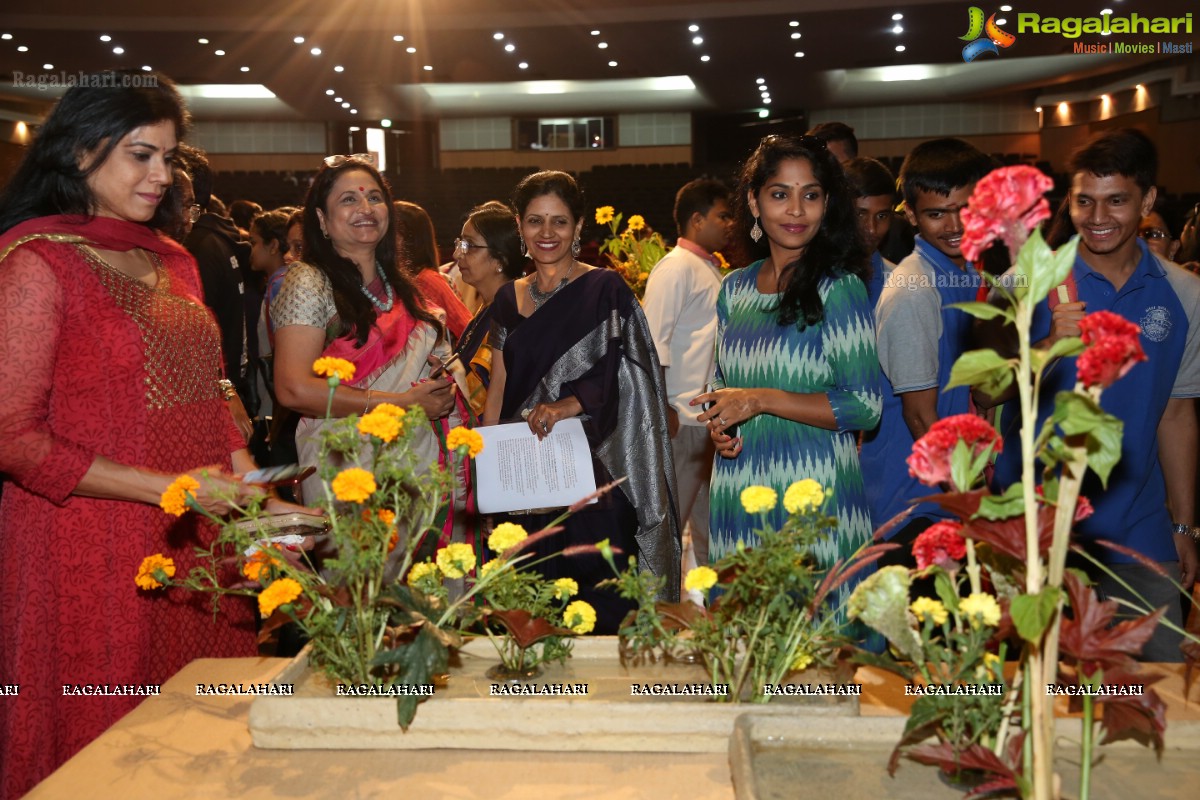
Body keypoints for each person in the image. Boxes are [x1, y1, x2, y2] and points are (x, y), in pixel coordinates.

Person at [0, 71, 298, 798]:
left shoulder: (173, 259)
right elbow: (12, 437)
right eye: (142, 154)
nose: (163, 174)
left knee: (202, 744)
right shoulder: (37, 265)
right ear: (78, 152)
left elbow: (214, 390)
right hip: (89, 545)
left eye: (170, 156)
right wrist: (169, 489)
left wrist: (256, 498)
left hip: (196, 537)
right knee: (107, 751)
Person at [984, 129, 1200, 661]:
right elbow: (984, 391)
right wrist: (1048, 346)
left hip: (1139, 531)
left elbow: (1176, 414)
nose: (1097, 215)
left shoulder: (1184, 293)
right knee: (1038, 697)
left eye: (1116, 201)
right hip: (1034, 529)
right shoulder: (1023, 282)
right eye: (1084, 200)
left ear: (1147, 201)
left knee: (1153, 695)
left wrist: (1183, 523)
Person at [483, 170, 681, 632]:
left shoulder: (605, 290)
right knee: (532, 598)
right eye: (535, 221)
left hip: (595, 468)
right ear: (519, 226)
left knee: (599, 598)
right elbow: (498, 386)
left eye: (559, 222)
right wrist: (488, 470)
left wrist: (571, 403)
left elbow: (636, 379)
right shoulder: (506, 300)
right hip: (526, 471)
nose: (546, 234)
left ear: (578, 227)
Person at [696, 135, 880, 625]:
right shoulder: (733, 289)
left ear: (827, 203)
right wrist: (720, 426)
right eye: (780, 194)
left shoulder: (839, 288)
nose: (796, 209)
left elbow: (865, 406)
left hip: (815, 494)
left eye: (811, 194)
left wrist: (760, 400)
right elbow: (722, 387)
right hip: (741, 486)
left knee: (818, 654)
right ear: (754, 201)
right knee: (746, 643)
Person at [271, 155, 460, 507]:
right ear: (322, 220)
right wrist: (402, 402)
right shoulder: (309, 280)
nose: (365, 207)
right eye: (349, 199)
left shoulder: (403, 287)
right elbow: (292, 388)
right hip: (346, 468)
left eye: (375, 197)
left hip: (415, 466)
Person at [858, 138, 994, 552]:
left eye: (966, 211)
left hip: (944, 496)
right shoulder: (913, 289)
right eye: (937, 214)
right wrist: (972, 498)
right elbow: (921, 417)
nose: (955, 226)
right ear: (912, 216)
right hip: (912, 504)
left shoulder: (966, 273)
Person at [642, 179, 733, 582]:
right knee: (668, 523)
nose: (730, 224)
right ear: (697, 220)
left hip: (707, 417)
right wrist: (663, 409)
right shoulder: (676, 267)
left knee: (712, 525)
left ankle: (718, 613)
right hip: (682, 413)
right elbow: (651, 342)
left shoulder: (707, 267)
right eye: (723, 216)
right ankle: (651, 614)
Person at [184, 155, 252, 413]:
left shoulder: (198, 248)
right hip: (226, 383)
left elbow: (201, 338)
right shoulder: (215, 239)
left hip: (213, 392)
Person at [451, 201, 525, 418]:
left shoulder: (511, 314)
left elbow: (485, 396)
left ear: (500, 260)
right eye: (459, 243)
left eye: (469, 246)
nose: (457, 254)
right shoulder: (487, 308)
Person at [393, 200, 472, 340]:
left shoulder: (427, 280)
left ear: (408, 239)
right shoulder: (395, 280)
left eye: (390, 232)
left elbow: (467, 328)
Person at [843, 156, 898, 309]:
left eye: (882, 216)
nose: (872, 228)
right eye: (860, 214)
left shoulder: (899, 282)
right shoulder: (807, 278)